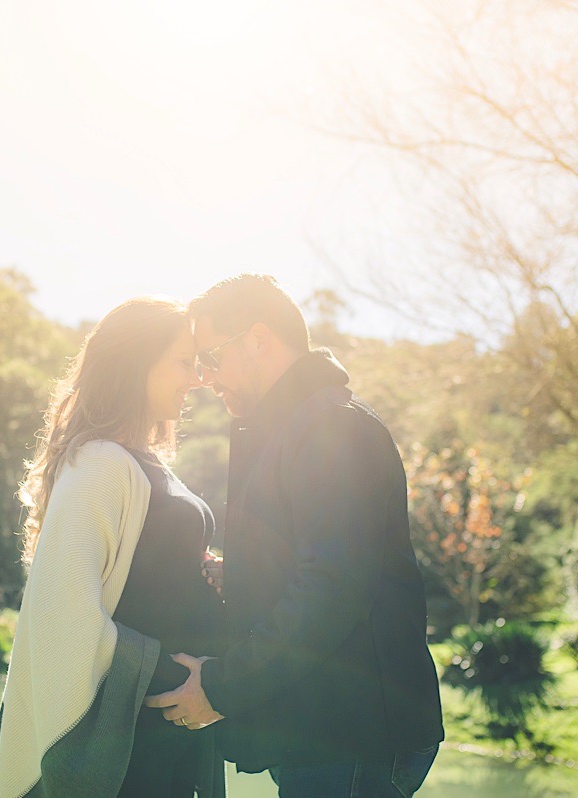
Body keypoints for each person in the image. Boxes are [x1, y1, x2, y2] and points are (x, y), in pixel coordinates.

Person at [145, 274, 445, 798]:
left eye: (211, 358)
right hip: (323, 731)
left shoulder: (333, 427)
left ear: (259, 340)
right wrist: (235, 576)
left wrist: (221, 687)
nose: (205, 379)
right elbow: (316, 566)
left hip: (353, 737)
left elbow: (331, 589)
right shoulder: (295, 428)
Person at [0, 297, 225, 798]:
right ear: (137, 364)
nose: (197, 378)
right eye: (183, 362)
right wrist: (178, 675)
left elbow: (143, 571)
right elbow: (64, 612)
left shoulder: (138, 462)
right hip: (128, 743)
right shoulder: (101, 464)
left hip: (161, 732)